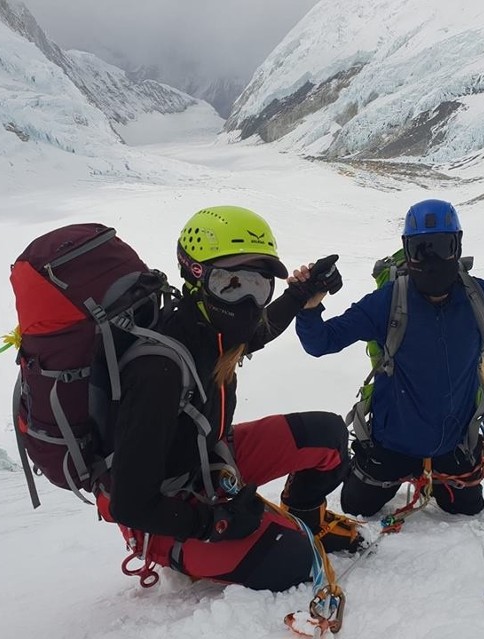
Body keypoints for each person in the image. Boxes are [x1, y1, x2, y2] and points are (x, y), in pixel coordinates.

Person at [99, 205, 363, 593]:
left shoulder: (211, 324)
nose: (248, 303)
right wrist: (214, 523)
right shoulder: (159, 369)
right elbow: (130, 503)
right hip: (162, 512)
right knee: (293, 560)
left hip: (209, 459)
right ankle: (185, 551)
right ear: (196, 275)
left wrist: (302, 292)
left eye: (259, 287)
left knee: (329, 435)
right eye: (231, 284)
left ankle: (307, 517)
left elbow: (258, 330)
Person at [292, 199, 484, 518]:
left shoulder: (480, 298)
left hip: (452, 444)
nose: (432, 259)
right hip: (393, 444)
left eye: (442, 247)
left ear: (458, 245)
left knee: (466, 509)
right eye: (422, 249)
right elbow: (320, 342)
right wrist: (309, 305)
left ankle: (430, 477)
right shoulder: (389, 302)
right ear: (407, 251)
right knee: (356, 506)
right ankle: (417, 475)